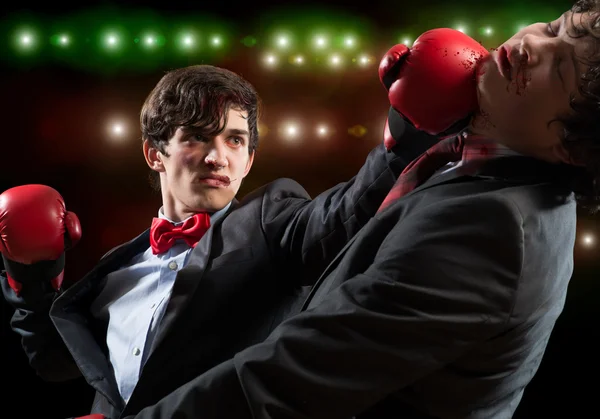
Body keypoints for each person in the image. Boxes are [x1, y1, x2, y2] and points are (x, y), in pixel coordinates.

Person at [97, 2, 600, 419]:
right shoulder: (488, 160)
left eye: (559, 69)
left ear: (573, 149)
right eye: (554, 28)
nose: (533, 43)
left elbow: (293, 376)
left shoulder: (494, 230)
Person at [0, 60, 453, 419]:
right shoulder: (116, 269)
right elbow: (57, 363)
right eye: (198, 137)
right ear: (155, 154)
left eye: (235, 140)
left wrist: (410, 128)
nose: (218, 156)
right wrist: (30, 277)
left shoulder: (269, 224)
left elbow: (344, 213)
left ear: (250, 159)